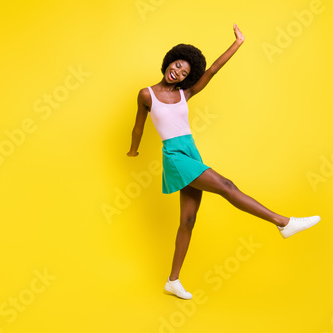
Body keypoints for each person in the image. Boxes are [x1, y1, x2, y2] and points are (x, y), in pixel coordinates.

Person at [127, 24, 320, 300]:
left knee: (189, 220)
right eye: (177, 65)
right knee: (226, 185)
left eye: (184, 72)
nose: (178, 72)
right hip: (174, 156)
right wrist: (133, 150)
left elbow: (213, 69)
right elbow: (138, 126)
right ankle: (282, 222)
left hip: (191, 151)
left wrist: (238, 43)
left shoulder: (185, 93)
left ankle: (173, 280)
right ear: (170, 60)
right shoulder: (146, 94)